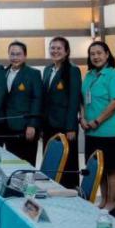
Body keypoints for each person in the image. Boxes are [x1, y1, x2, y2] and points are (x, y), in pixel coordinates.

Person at [81, 41, 115, 215]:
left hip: (109, 130)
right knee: (99, 168)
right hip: (91, 130)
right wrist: (82, 118)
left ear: (107, 54)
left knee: (111, 168)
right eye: (92, 54)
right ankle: (104, 200)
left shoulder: (113, 75)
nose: (96, 57)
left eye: (99, 53)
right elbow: (83, 100)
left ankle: (112, 203)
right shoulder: (89, 75)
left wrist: (97, 121)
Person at [41, 37, 82, 188]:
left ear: (66, 51)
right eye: (52, 48)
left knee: (67, 164)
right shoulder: (47, 70)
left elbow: (74, 100)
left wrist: (71, 127)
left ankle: (70, 192)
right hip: (48, 124)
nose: (55, 51)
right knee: (51, 161)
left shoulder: (73, 71)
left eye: (59, 48)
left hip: (65, 125)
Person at [1, 41, 42, 165]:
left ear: (25, 56)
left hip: (26, 127)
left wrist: (32, 125)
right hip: (7, 127)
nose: (15, 57)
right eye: (12, 54)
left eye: (18, 54)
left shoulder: (33, 74)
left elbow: (37, 100)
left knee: (26, 164)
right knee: (12, 163)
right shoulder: (3, 73)